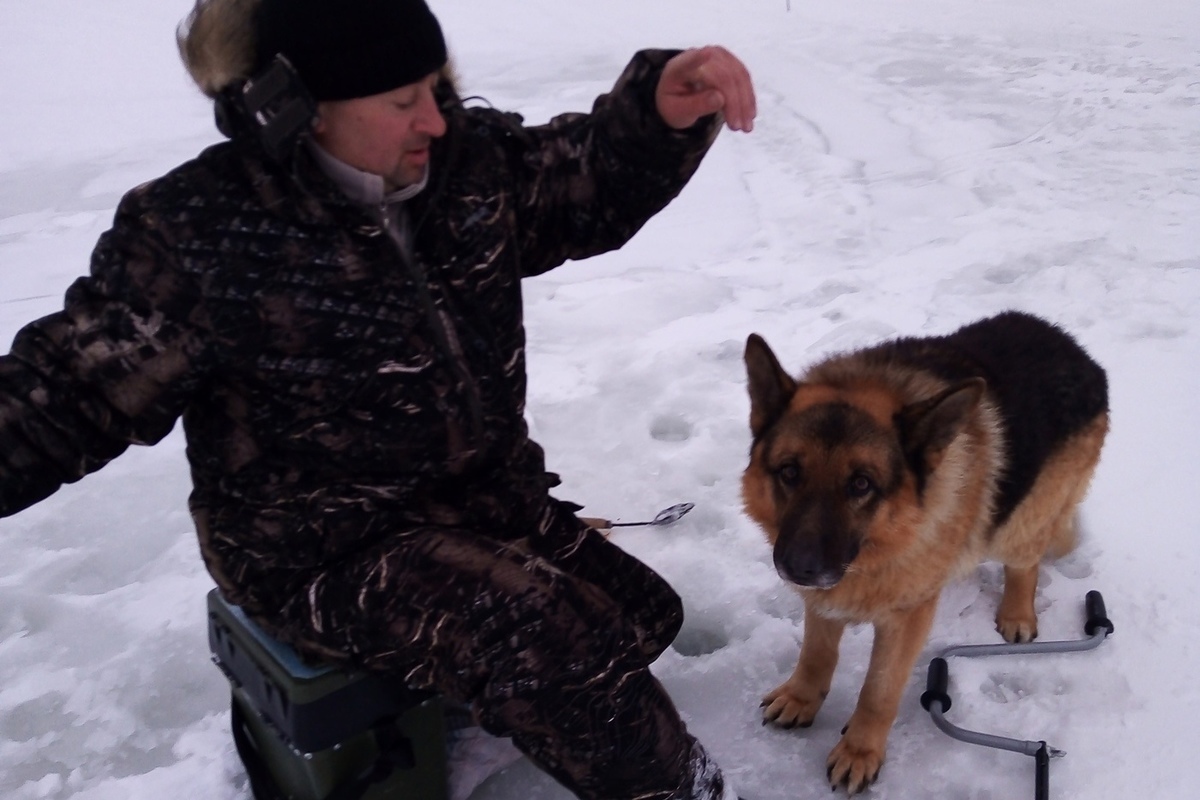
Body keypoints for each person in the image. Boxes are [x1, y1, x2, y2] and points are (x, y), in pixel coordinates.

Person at [0, 1, 756, 799]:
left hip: (482, 503)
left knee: (642, 618)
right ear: (294, 106)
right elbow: (62, 396)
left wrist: (655, 115)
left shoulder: (467, 166)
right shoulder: (197, 235)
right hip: (323, 547)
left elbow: (581, 182)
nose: (434, 119)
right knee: (551, 644)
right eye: (401, 102)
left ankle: (462, 718)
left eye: (435, 87)